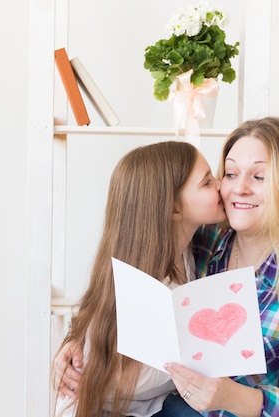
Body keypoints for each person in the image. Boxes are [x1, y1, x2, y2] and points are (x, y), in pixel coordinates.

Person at [56, 117, 279, 417]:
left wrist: (236, 398)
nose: (238, 188)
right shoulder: (203, 239)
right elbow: (127, 272)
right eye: (231, 174)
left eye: (259, 177)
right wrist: (80, 343)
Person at [52, 141, 226, 417]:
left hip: (150, 405)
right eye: (207, 182)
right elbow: (118, 380)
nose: (221, 185)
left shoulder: (189, 251)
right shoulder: (142, 287)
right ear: (173, 209)